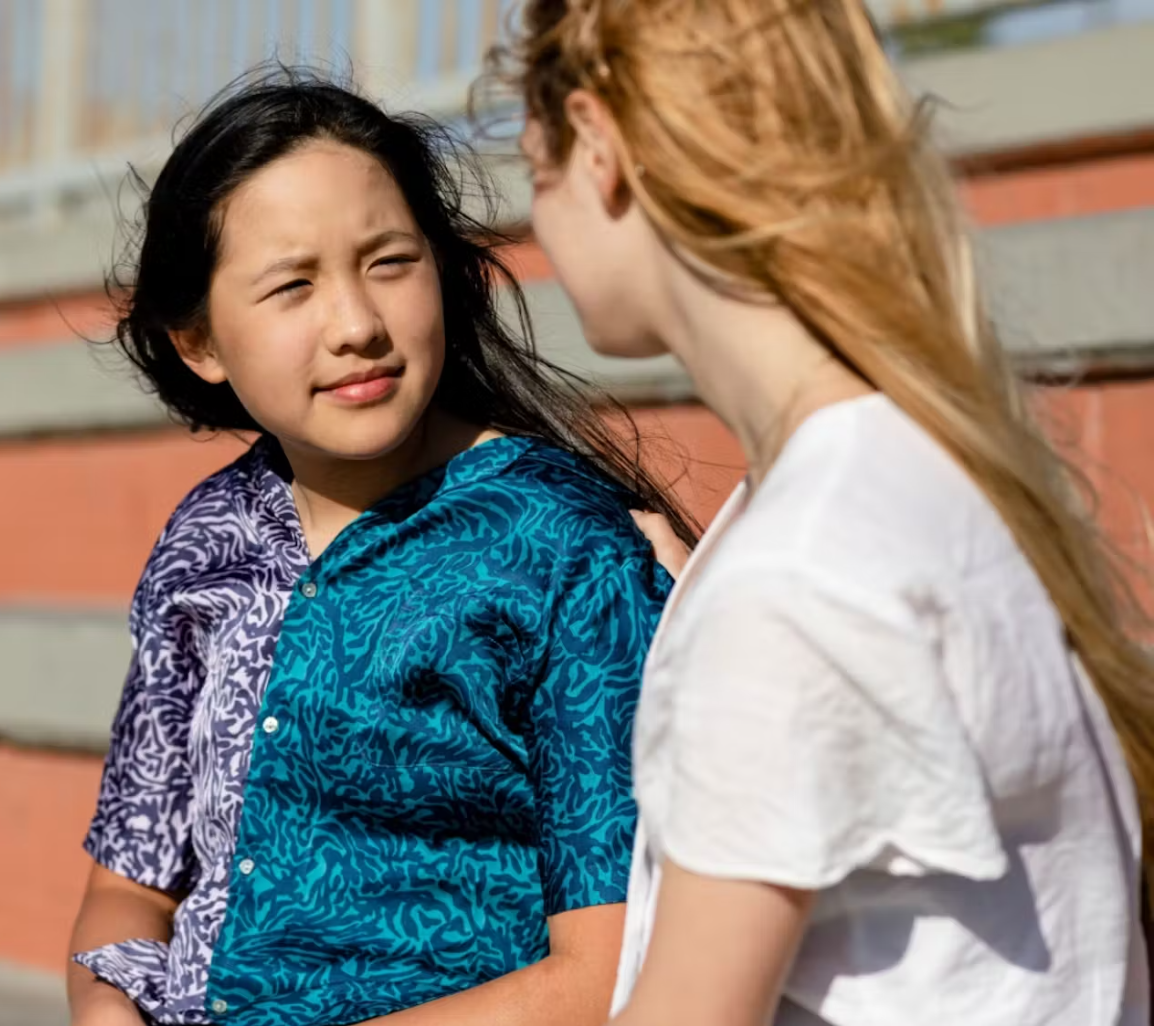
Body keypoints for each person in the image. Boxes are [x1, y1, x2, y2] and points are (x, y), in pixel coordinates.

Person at [502, 2, 1152, 1024]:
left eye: (534, 170)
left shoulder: (791, 577)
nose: (535, 222)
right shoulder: (907, 471)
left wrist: (730, 642)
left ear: (597, 146)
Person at [67, 73, 694, 1026]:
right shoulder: (205, 544)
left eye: (390, 262)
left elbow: (614, 965)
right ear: (199, 341)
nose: (357, 325)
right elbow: (129, 893)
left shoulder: (567, 550)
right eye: (292, 285)